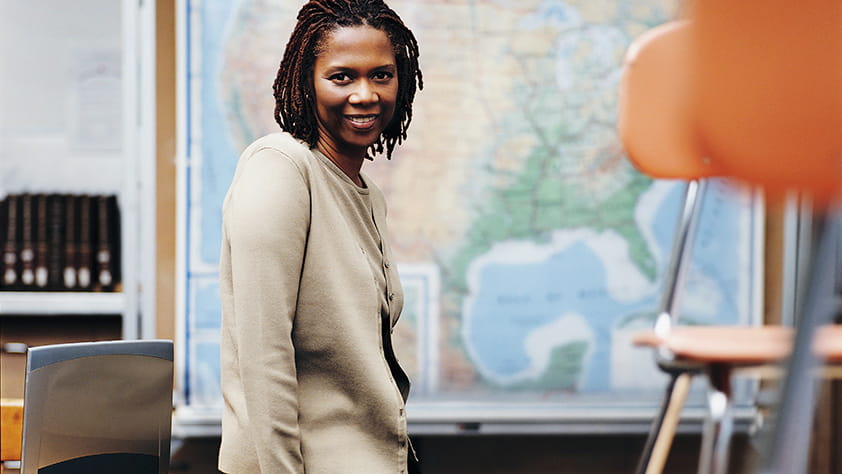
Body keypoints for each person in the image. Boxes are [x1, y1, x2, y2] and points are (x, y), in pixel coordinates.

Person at [217, 0, 423, 473]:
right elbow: (264, 357)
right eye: (342, 76)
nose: (366, 94)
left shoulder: (366, 193)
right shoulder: (282, 168)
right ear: (307, 82)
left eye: (382, 75)